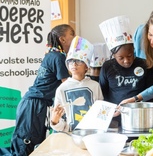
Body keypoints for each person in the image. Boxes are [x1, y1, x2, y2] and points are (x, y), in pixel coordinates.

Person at [10, 24, 75, 155]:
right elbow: (67, 84)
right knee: (26, 143)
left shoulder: (52, 55)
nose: (74, 39)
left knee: (35, 143)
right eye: (72, 35)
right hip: (34, 106)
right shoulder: (58, 57)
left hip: (35, 104)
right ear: (62, 39)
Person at [99, 16, 153, 124]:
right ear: (114, 55)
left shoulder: (144, 64)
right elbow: (102, 94)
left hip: (140, 117)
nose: (126, 61)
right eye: (121, 58)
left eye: (130, 56)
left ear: (133, 50)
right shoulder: (107, 67)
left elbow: (151, 93)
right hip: (115, 118)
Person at [50, 36, 104, 132]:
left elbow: (100, 113)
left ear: (86, 67)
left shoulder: (95, 86)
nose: (74, 64)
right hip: (69, 135)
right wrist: (54, 121)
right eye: (71, 61)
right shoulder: (62, 88)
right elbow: (58, 121)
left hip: (92, 134)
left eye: (78, 61)